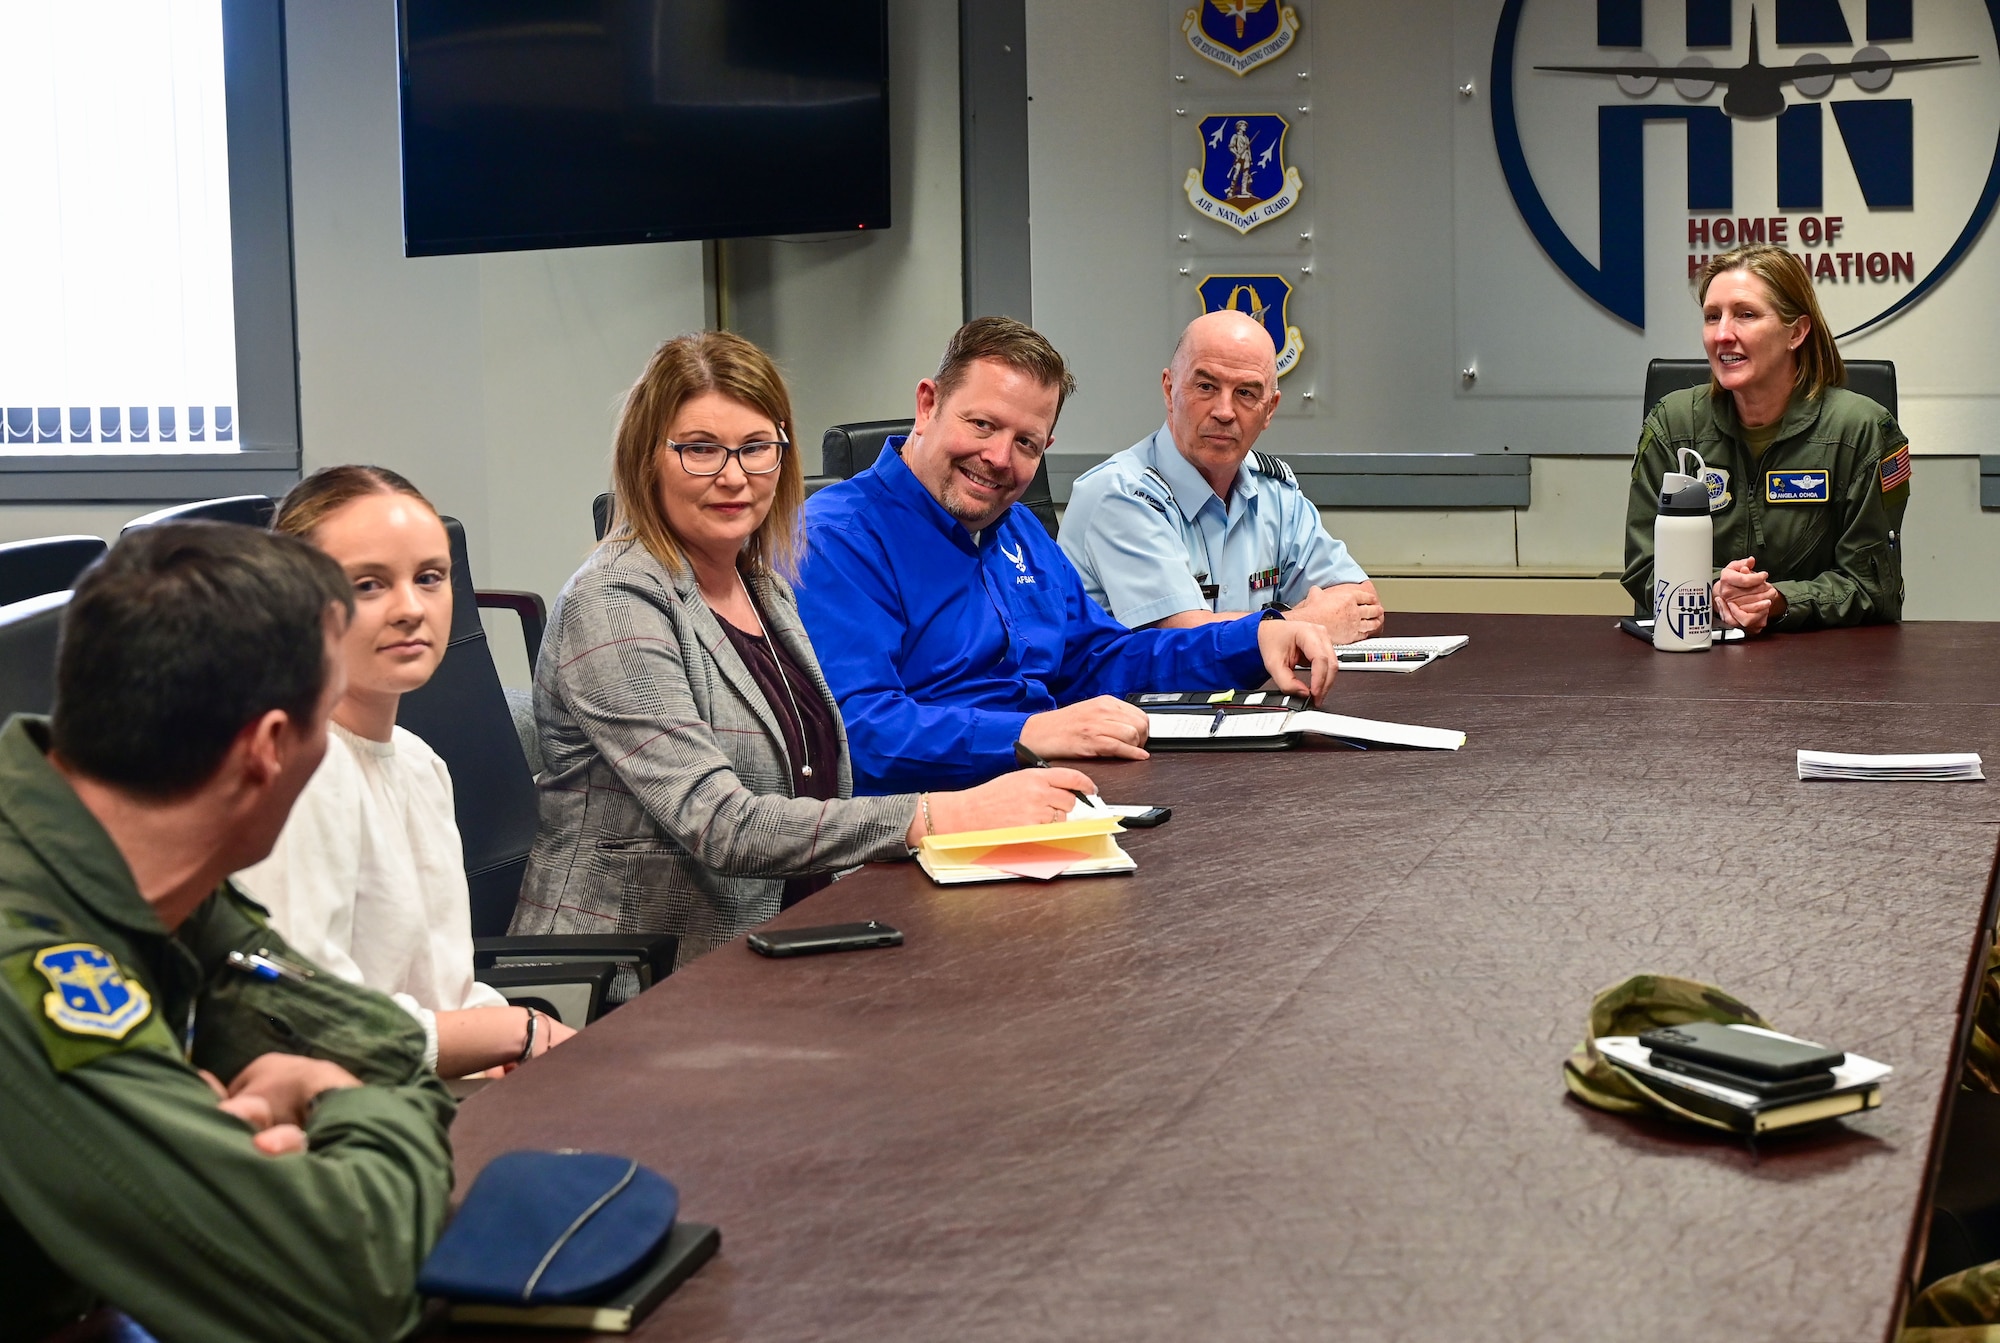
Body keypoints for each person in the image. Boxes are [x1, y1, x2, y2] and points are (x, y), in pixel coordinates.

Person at [0, 522, 454, 1342]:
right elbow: (354, 1279)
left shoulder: (150, 866)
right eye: (327, 720)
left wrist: (318, 1108)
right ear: (269, 750)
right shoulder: (29, 969)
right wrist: (337, 1098)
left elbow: (387, 1048)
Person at [509, 331, 1095, 962]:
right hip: (641, 972)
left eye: (757, 448)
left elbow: (818, 790)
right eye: (700, 449)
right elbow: (720, 823)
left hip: (793, 935)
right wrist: (945, 817)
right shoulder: (614, 601)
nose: (734, 478)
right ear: (646, 458)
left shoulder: (761, 584)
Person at [797, 316, 1337, 796]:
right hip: (924, 830)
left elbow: (1100, 662)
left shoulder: (1016, 529)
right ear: (928, 405)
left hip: (1053, 791)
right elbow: (854, 731)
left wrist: (1252, 638)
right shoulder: (837, 537)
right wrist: (1029, 733)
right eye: (982, 424)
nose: (998, 458)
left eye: (1026, 443)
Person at [234, 466, 576, 1077]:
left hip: (428, 1095)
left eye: (430, 578)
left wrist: (511, 1037)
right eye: (368, 585)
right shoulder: (297, 778)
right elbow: (306, 1023)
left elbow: (445, 989)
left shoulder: (418, 762)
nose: (410, 609)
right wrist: (510, 1032)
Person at [1622, 244, 1908, 632]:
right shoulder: (1672, 426)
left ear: (1797, 332)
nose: (1722, 334)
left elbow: (1873, 587)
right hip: (1696, 652)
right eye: (1711, 317)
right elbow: (1645, 567)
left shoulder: (1863, 430)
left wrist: (1780, 600)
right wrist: (1711, 590)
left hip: (1826, 666)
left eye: (1746, 315)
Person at [1059, 309, 1384, 642]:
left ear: (1269, 409)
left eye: (1246, 393)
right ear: (1169, 390)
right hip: (1130, 694)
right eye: (1206, 386)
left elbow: (1361, 602)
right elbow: (1184, 641)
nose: (1224, 412)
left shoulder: (1273, 492)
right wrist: (1306, 622)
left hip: (1241, 693)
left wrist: (1298, 623)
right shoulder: (1120, 494)